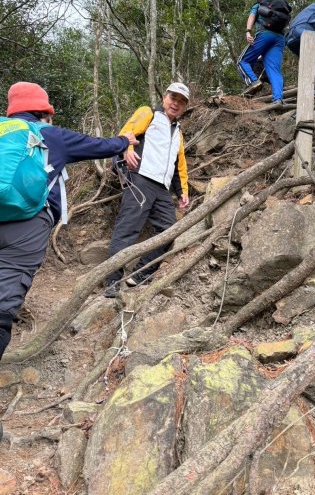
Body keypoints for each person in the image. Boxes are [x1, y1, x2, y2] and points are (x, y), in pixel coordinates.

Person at [0, 82, 137, 364]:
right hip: (27, 225)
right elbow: (100, 146)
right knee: (3, 305)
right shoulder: (50, 134)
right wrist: (125, 141)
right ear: (44, 112)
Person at [105, 82, 190, 297]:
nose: (175, 104)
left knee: (169, 231)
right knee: (128, 229)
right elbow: (127, 132)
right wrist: (127, 148)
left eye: (181, 102)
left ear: (185, 107)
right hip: (140, 178)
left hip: (162, 188)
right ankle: (112, 281)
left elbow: (179, 164)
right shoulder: (148, 113)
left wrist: (183, 191)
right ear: (165, 98)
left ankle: (140, 274)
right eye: (173, 98)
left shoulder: (178, 132)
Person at [237, 0, 288, 104]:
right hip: (280, 39)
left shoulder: (259, 5)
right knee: (274, 70)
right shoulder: (281, 9)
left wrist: (248, 31)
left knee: (242, 61)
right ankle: (278, 99)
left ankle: (254, 82)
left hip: (265, 34)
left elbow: (252, 16)